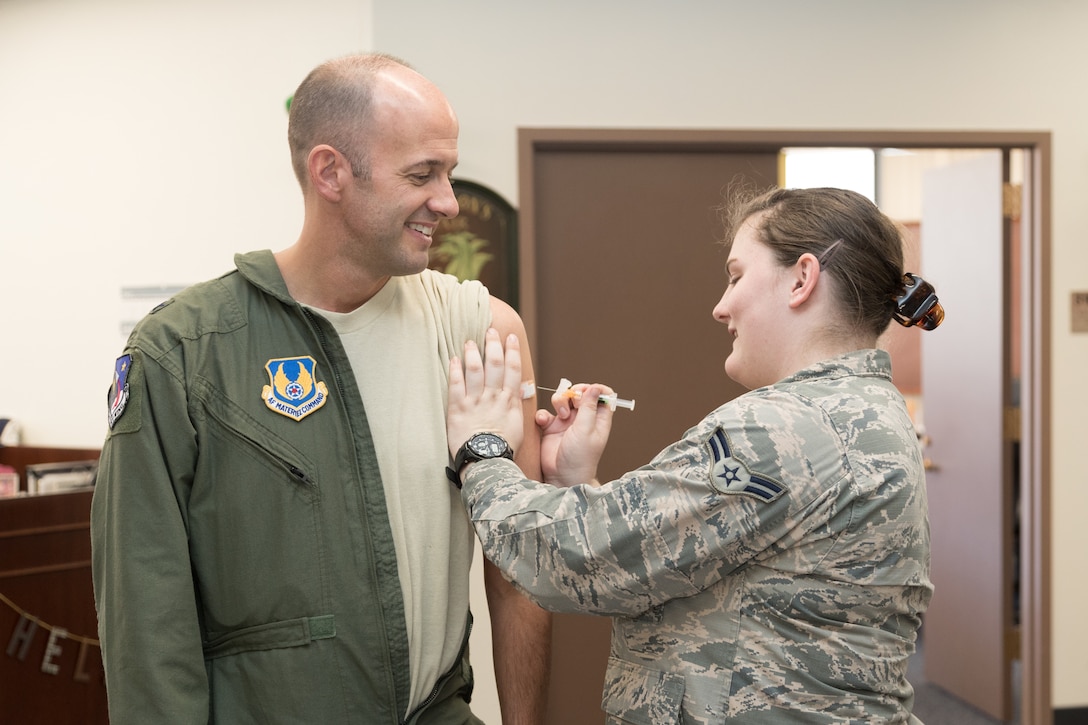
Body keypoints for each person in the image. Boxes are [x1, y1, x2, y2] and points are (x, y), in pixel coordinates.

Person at [90, 53, 551, 724]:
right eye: (422, 174)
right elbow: (146, 621)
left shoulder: (480, 332)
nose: (450, 201)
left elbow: (519, 573)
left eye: (449, 172)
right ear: (330, 171)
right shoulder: (181, 354)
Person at [444, 186, 943, 723]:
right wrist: (576, 482)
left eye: (735, 277)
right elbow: (649, 572)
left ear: (802, 279)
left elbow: (571, 559)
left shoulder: (786, 429)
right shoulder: (866, 412)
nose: (721, 307)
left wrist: (484, 449)